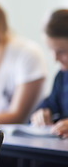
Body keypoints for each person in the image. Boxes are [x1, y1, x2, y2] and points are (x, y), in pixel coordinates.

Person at [30, 9, 68, 138]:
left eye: (62, 51)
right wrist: (41, 114)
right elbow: (48, 105)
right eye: (51, 50)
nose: (55, 58)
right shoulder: (62, 78)